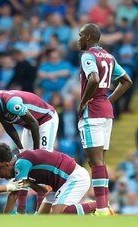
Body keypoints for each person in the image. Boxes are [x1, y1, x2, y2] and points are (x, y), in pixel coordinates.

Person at [77, 23, 132, 216]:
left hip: (92, 112)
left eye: (81, 35)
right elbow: (127, 81)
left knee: (95, 162)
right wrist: (108, 100)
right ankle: (104, 205)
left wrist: (83, 103)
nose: (78, 39)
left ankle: (100, 208)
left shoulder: (88, 56)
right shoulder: (109, 57)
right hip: (106, 111)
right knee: (101, 161)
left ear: (89, 37)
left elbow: (92, 79)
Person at [0, 89, 59, 213]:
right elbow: (8, 127)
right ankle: (21, 211)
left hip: (45, 120)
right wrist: (21, 147)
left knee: (41, 163)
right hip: (28, 125)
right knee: (22, 164)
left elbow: (34, 123)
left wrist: (36, 153)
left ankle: (40, 210)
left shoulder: (12, 104)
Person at [0, 148, 108, 215]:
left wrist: (5, 219)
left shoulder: (20, 164)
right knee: (42, 219)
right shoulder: (22, 163)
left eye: (2, 174)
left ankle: (99, 206)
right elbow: (43, 191)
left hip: (74, 177)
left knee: (58, 213)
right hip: (59, 185)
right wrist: (30, 183)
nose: (6, 178)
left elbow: (14, 195)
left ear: (7, 164)